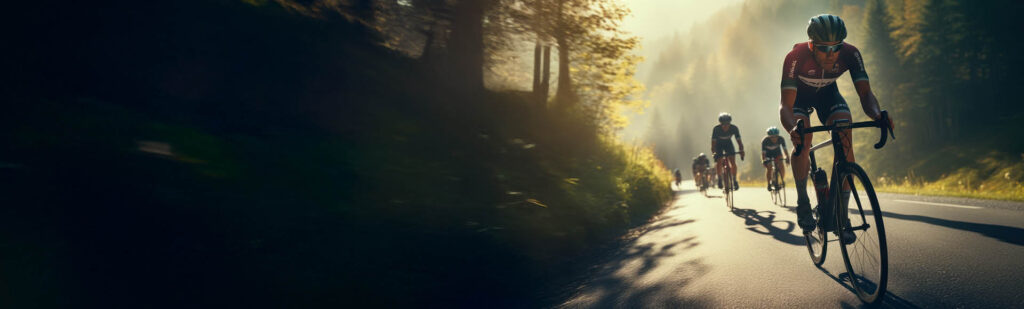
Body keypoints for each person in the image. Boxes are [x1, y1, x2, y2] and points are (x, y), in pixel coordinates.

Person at [778, 14, 894, 240]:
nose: (831, 55)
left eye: (836, 47)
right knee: (804, 140)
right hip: (798, 100)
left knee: (845, 134)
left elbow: (865, 93)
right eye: (823, 48)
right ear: (811, 44)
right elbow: (785, 105)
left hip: (829, 97)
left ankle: (842, 214)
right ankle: (803, 202)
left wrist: (878, 115)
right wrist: (793, 128)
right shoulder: (795, 57)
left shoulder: (851, 54)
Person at [711, 113, 744, 190]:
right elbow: (713, 144)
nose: (725, 126)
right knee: (719, 161)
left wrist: (741, 151)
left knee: (733, 162)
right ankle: (719, 178)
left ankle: (734, 180)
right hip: (718, 145)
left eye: (727, 124)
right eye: (723, 124)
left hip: (728, 144)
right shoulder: (716, 129)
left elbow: (739, 142)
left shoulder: (734, 128)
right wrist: (714, 153)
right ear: (720, 124)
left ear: (730, 123)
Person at [761, 126, 790, 191]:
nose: (774, 138)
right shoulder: (765, 141)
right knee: (769, 167)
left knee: (781, 166)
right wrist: (763, 160)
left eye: (776, 136)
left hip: (777, 153)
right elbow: (763, 153)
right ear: (769, 136)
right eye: (772, 137)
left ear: (778, 136)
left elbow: (785, 149)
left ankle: (781, 180)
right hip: (768, 154)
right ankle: (769, 184)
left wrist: (787, 157)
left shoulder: (781, 139)